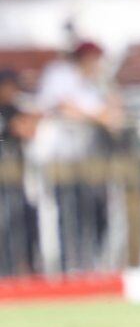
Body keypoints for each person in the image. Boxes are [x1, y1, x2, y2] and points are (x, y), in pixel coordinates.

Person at [29, 42, 123, 269]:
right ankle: (69, 267)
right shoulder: (60, 75)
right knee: (68, 214)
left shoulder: (96, 83)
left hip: (91, 159)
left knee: (97, 213)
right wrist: (98, 116)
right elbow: (64, 106)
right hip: (62, 157)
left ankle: (94, 264)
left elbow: (114, 117)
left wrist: (107, 95)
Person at [0, 68, 41, 276]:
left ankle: (24, 267)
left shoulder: (14, 109)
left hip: (15, 180)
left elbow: (29, 131)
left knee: (23, 223)